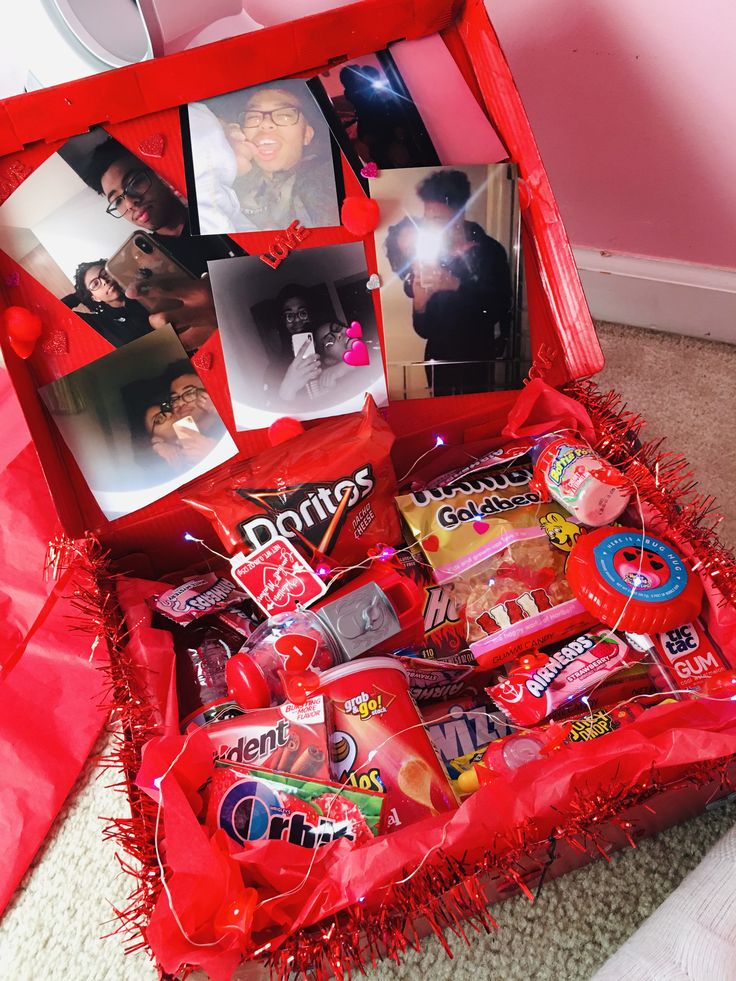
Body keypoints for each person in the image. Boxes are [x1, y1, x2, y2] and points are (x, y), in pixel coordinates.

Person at [84, 136, 239, 350]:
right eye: (117, 200)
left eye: (134, 182)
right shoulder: (147, 268)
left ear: (158, 173)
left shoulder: (217, 213)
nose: (130, 202)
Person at [384, 169, 513, 397]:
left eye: (438, 219)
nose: (431, 226)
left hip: (478, 359)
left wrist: (456, 285)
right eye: (428, 219)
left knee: (475, 414)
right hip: (437, 361)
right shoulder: (429, 254)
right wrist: (420, 304)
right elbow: (424, 330)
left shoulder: (490, 251)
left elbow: (498, 308)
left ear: (459, 214)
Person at [219, 80, 340, 231]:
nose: (265, 124)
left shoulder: (327, 181)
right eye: (253, 117)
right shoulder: (228, 184)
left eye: (284, 115)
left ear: (306, 135)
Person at [263, 284, 354, 406]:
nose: (297, 320)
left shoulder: (331, 344)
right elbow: (271, 414)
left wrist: (346, 366)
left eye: (303, 313)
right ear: (282, 322)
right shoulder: (273, 369)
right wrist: (287, 390)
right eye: (289, 316)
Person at [72, 259, 152, 348]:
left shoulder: (141, 288)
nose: (104, 281)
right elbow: (59, 311)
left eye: (105, 274)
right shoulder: (102, 323)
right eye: (95, 284)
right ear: (95, 298)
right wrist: (80, 294)